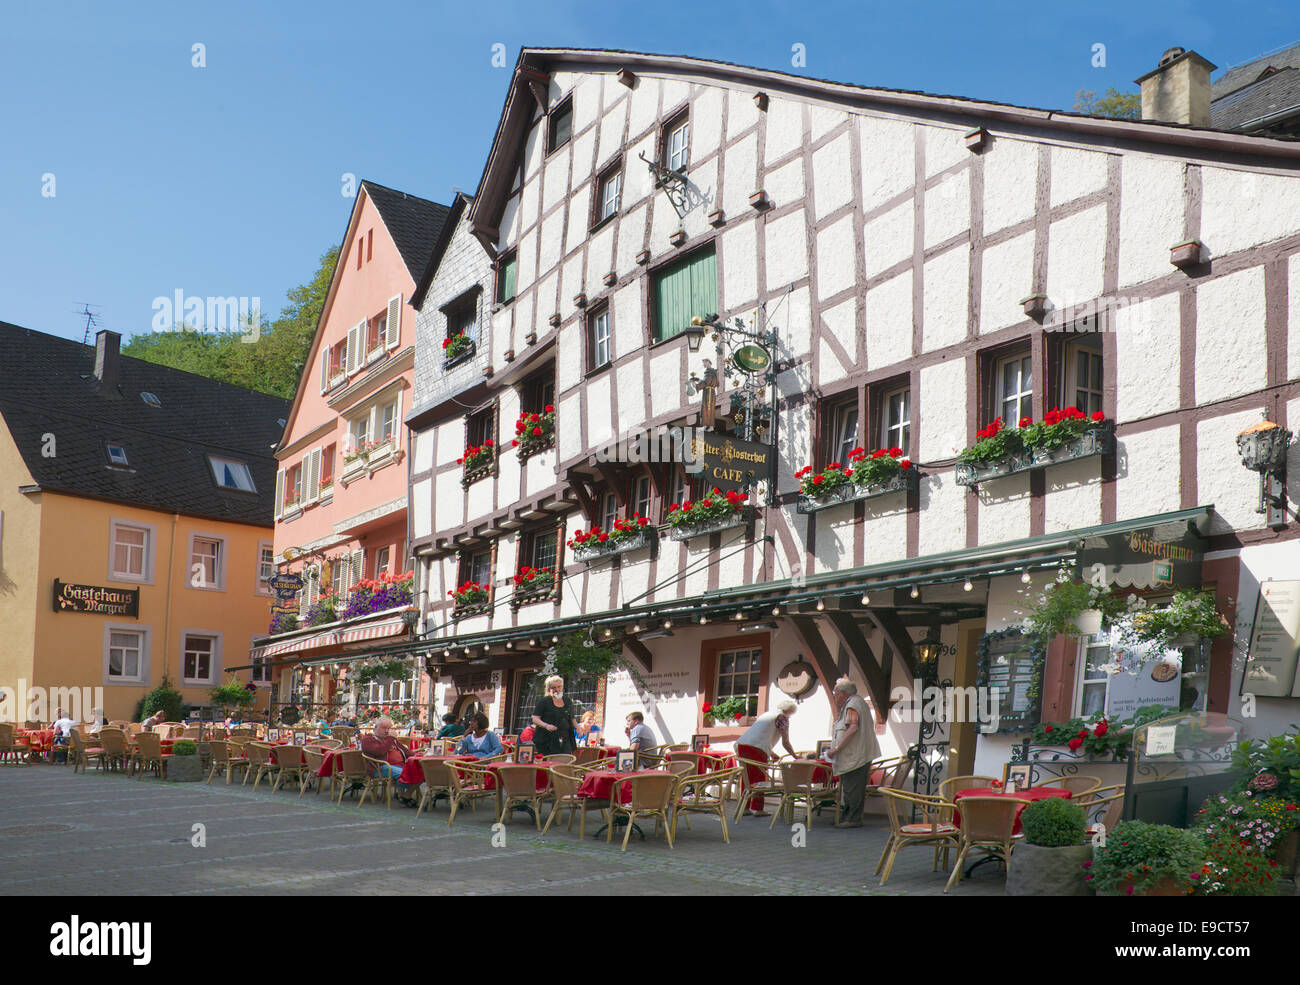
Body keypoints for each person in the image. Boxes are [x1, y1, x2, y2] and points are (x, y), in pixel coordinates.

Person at [826, 678, 880, 828]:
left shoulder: (852, 705)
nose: (834, 696)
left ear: (842, 693)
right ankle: (846, 817)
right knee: (850, 788)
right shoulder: (855, 703)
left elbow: (853, 728)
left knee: (853, 789)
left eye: (835, 693)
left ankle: (853, 819)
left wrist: (836, 749)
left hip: (856, 756)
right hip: (855, 755)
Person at [735, 699, 799, 815]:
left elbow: (761, 735)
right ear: (790, 711)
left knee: (747, 779)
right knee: (759, 778)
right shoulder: (782, 717)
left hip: (742, 745)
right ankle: (758, 808)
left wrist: (771, 753)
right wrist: (795, 756)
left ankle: (745, 807)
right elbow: (785, 742)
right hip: (756, 749)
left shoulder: (767, 714)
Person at [360, 716, 417, 805]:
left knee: (421, 772)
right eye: (383, 728)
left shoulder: (390, 739)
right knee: (406, 774)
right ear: (375, 728)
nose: (387, 731)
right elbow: (379, 751)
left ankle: (406, 795)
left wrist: (419, 755)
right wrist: (390, 739)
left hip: (398, 765)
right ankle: (404, 794)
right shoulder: (368, 739)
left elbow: (406, 751)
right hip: (379, 768)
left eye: (388, 728)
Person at [530, 676, 583, 757]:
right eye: (553, 688)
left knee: (565, 761)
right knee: (550, 763)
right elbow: (535, 718)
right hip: (546, 740)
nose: (557, 690)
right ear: (549, 689)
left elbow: (571, 717)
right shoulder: (544, 701)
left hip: (565, 738)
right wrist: (546, 726)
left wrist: (578, 728)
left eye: (559, 687)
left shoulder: (567, 701)